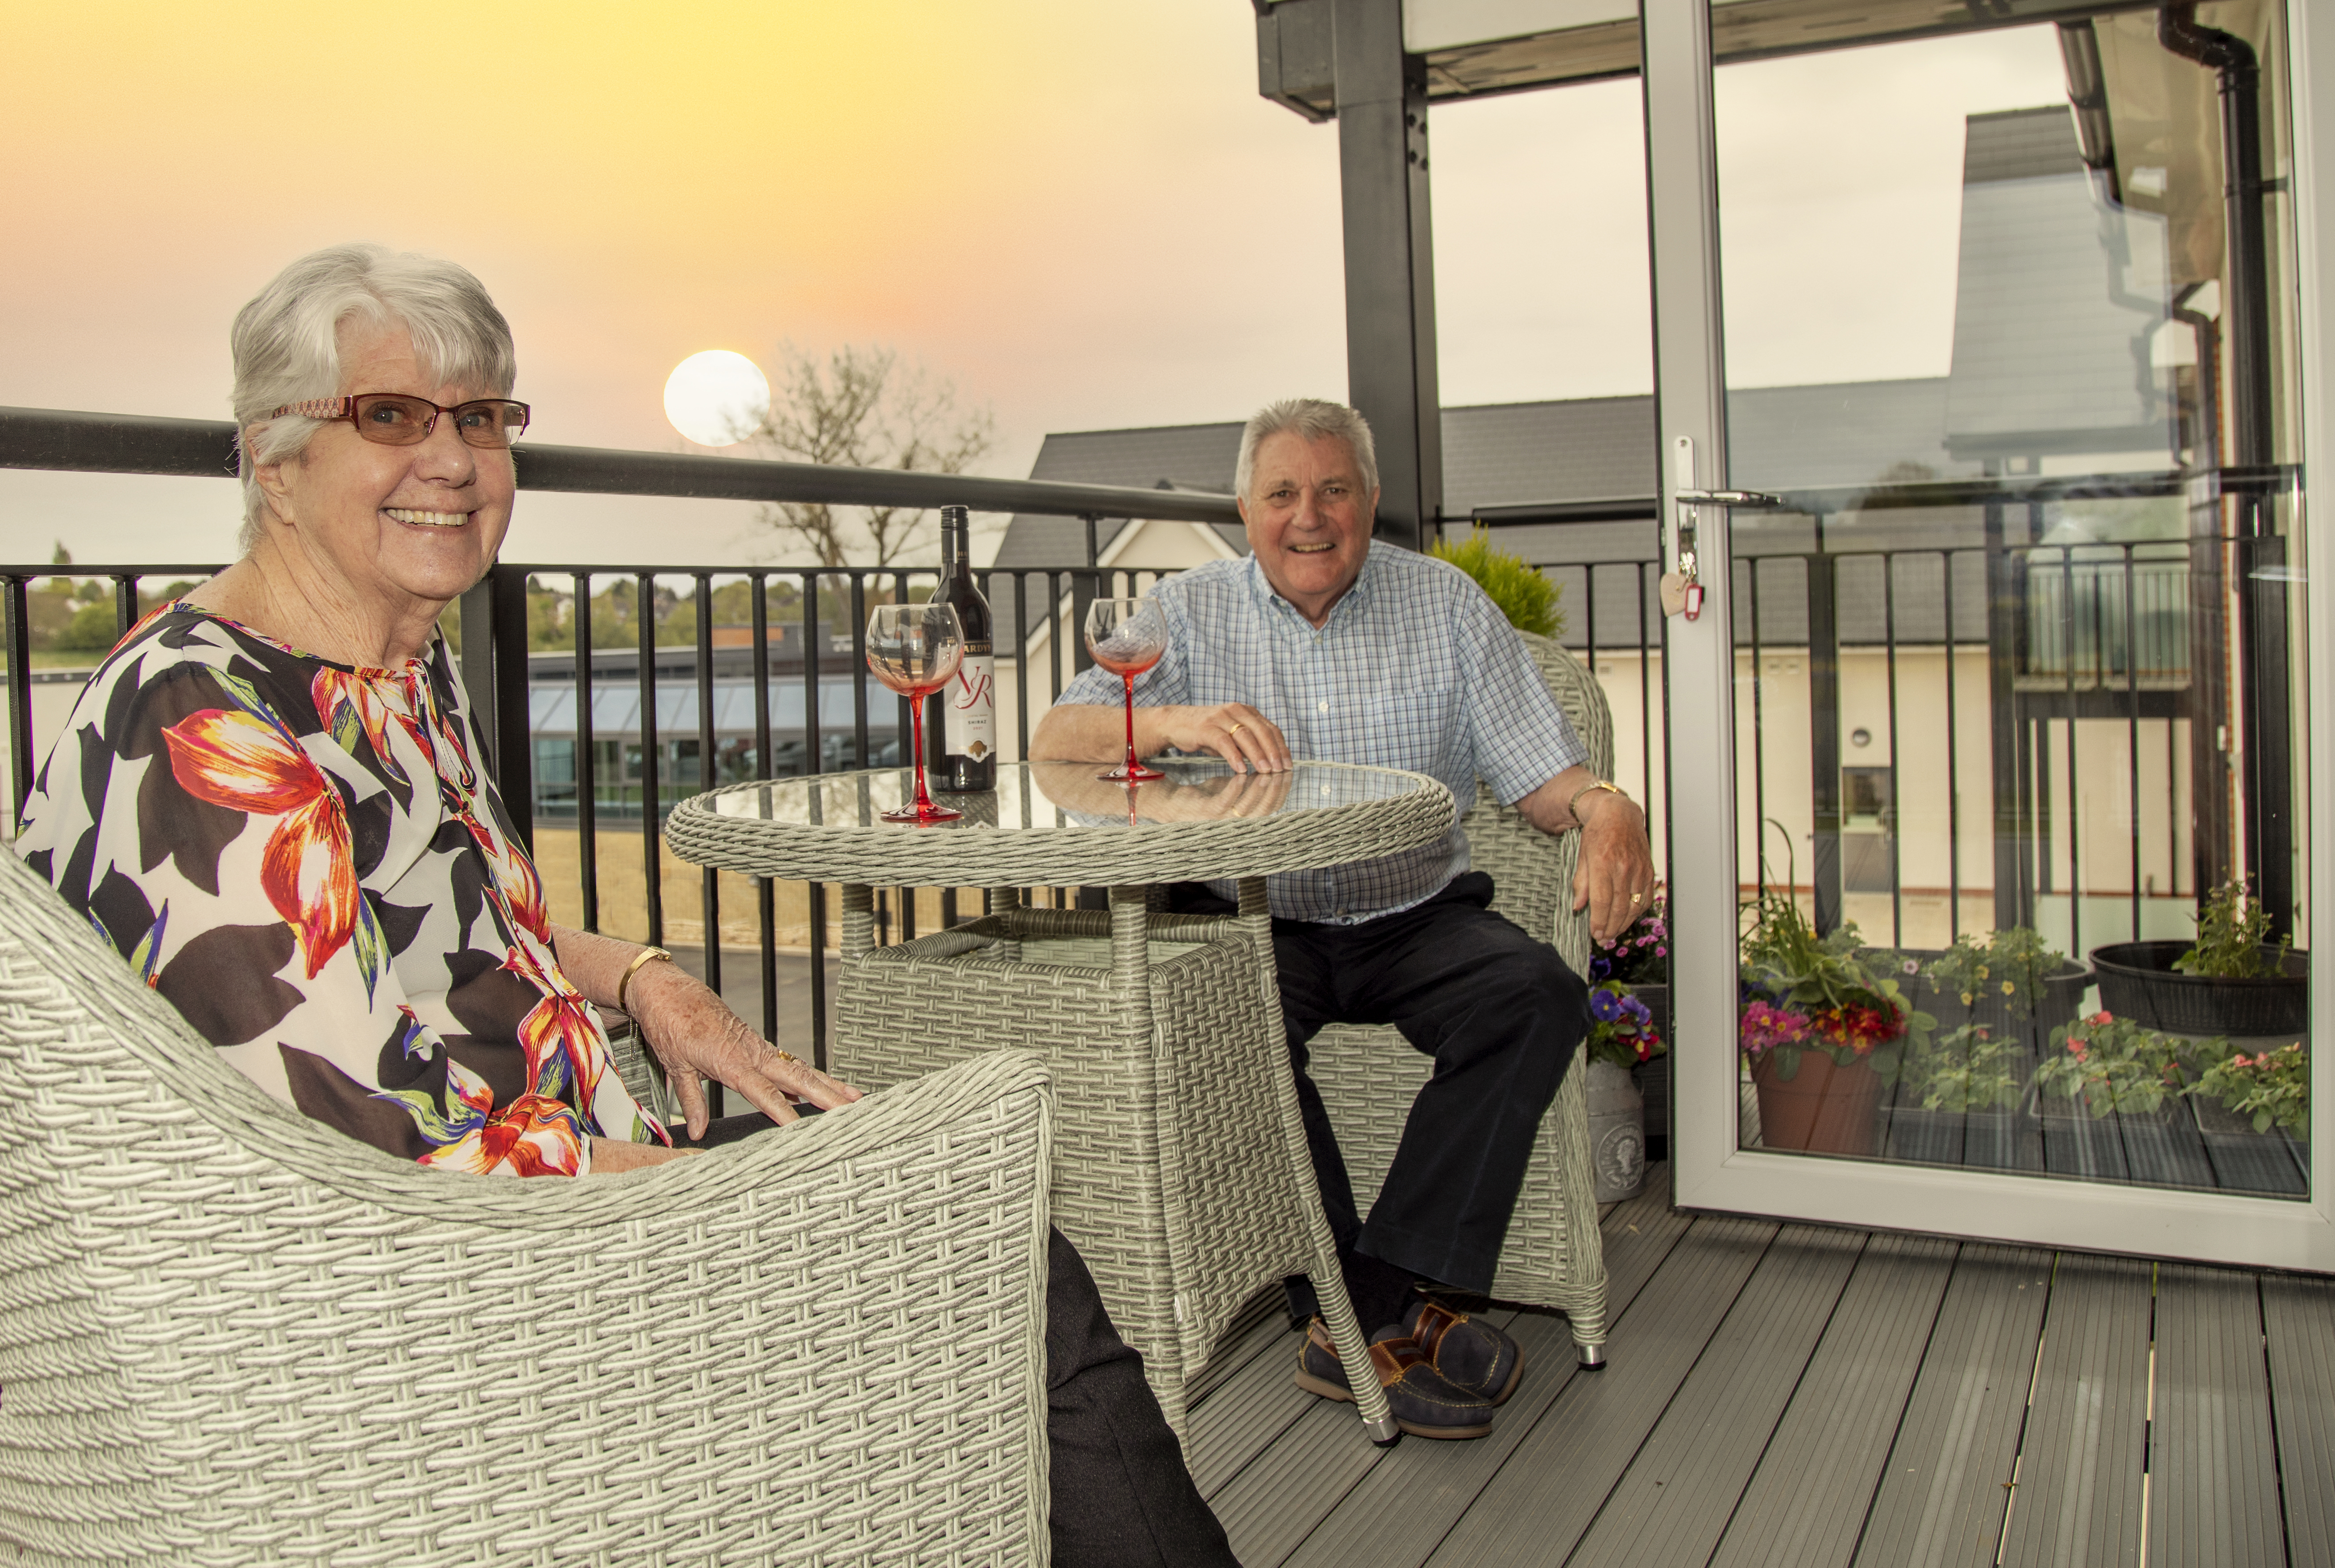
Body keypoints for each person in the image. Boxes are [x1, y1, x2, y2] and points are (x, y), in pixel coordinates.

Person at [12, 243, 1236, 1568]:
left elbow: (486, 919)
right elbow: (391, 1155)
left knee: (976, 1220)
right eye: (390, 416)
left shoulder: (389, 664)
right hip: (452, 1288)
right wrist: (776, 1200)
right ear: (273, 455)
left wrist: (651, 978)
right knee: (982, 1227)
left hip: (557, 1172)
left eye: (480, 418)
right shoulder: (206, 729)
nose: (454, 460)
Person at [1031, 397, 1658, 1441]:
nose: (1309, 516)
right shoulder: (1186, 613)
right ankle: (1396, 1317)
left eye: (1334, 490)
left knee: (1537, 995)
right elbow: (1059, 737)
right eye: (1283, 493)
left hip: (1415, 907)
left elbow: (1548, 777)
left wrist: (1607, 804)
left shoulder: (1449, 606)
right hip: (1257, 917)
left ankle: (1359, 1301)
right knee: (1231, 1021)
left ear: (1370, 502)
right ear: (1246, 509)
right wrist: (1175, 719)